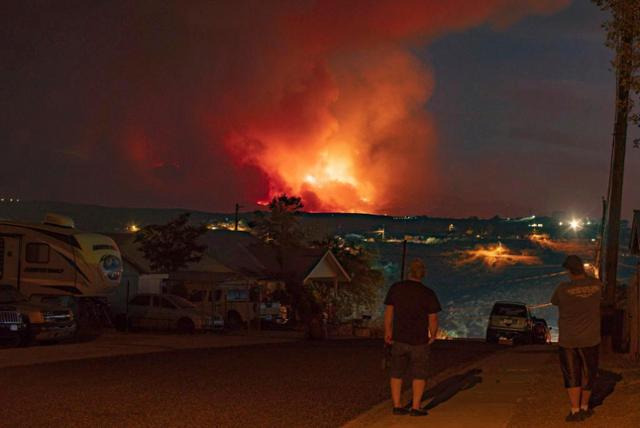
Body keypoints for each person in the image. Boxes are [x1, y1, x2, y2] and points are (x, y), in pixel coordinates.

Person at [384, 258, 442, 417]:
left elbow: (389, 312)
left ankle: (397, 405)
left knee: (396, 372)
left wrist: (387, 331)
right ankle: (416, 407)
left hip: (399, 338)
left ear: (409, 272)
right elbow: (433, 318)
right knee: (419, 374)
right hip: (419, 341)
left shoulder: (396, 288)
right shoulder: (428, 293)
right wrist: (432, 334)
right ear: (422, 274)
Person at [551, 255, 603, 422]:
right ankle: (585, 407)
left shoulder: (562, 288)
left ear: (568, 271)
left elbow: (554, 302)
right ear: (583, 268)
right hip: (590, 338)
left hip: (568, 339)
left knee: (572, 374)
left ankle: (574, 411)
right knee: (589, 373)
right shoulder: (597, 285)